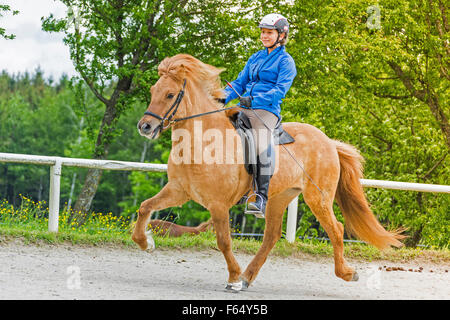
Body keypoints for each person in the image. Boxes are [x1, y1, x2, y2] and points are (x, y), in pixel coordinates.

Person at [222, 13, 297, 218]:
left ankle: (261, 197)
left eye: (269, 33)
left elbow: (280, 91)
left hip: (266, 110)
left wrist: (254, 99)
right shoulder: (255, 57)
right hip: (244, 105)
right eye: (263, 32)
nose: (264, 36)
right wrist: (222, 97)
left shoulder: (286, 62)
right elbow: (239, 83)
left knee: (261, 142)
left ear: (281, 35)